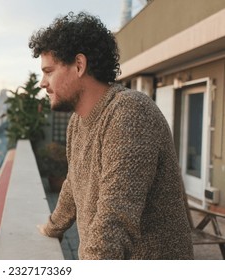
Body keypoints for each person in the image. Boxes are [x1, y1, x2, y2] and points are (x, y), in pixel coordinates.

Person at [30, 11, 194, 259]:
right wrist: (52, 228)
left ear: (79, 65)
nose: (43, 82)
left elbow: (114, 219)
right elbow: (73, 183)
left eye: (49, 71)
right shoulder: (77, 122)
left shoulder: (130, 113)